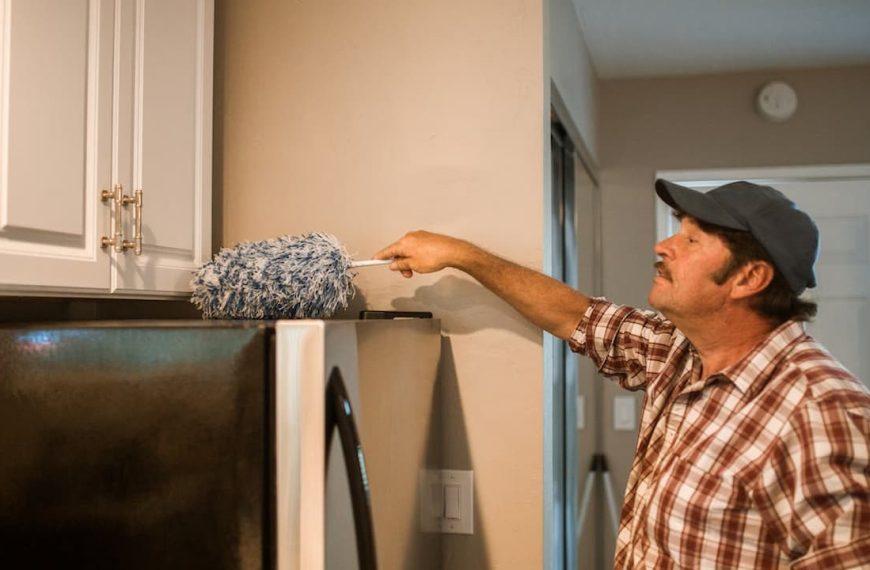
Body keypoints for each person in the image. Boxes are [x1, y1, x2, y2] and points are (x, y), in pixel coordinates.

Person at [373, 179, 870, 569]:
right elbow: (576, 316)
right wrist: (461, 254)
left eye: (692, 239)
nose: (664, 245)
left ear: (748, 278)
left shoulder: (820, 413)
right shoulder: (681, 353)